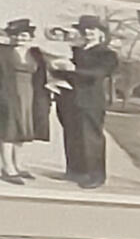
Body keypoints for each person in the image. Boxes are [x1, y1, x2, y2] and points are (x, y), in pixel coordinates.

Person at [52, 16, 118, 189]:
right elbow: (65, 71)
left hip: (90, 100)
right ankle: (75, 171)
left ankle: (96, 175)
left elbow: (98, 73)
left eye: (92, 29)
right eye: (85, 30)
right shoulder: (77, 50)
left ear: (100, 33)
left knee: (91, 138)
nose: (88, 33)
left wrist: (74, 69)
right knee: (72, 135)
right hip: (69, 99)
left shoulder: (107, 54)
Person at [0, 18, 48, 182]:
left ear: (30, 37)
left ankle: (18, 165)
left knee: (23, 131)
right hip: (8, 94)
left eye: (24, 35)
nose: (20, 39)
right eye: (16, 35)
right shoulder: (3, 51)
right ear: (11, 36)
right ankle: (8, 168)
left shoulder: (35, 54)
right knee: (8, 130)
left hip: (30, 95)